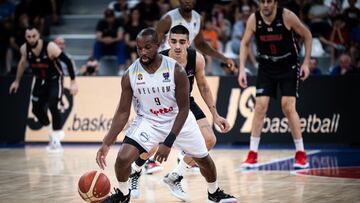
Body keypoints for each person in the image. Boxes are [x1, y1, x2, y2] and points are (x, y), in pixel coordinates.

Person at [95, 28, 237, 203]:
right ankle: (123, 195)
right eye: (139, 48)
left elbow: (184, 109)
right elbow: (123, 112)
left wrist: (168, 142)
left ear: (157, 46)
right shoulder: (130, 74)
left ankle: (214, 193)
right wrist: (106, 143)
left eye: (147, 47)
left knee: (205, 160)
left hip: (179, 118)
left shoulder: (176, 70)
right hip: (148, 121)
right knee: (122, 159)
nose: (143, 52)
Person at [237, 0, 312, 169]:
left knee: (287, 106)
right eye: (262, 1)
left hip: (288, 65)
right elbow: (244, 43)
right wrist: (242, 69)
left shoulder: (287, 16)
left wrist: (306, 63)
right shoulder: (253, 19)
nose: (265, 5)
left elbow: (307, 35)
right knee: (260, 107)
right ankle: (252, 153)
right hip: (266, 66)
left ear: (275, 2)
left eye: (269, 1)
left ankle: (301, 153)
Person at [9, 26, 78, 152]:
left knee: (53, 104)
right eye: (28, 37)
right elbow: (22, 63)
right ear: (25, 37)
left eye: (33, 36)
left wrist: (73, 82)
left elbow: (67, 61)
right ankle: (52, 129)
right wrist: (17, 81)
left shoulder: (50, 47)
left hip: (55, 78)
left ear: (38, 35)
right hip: (40, 80)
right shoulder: (24, 48)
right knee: (36, 109)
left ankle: (56, 140)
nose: (31, 39)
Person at [155, 0, 236, 74]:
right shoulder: (168, 19)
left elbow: (201, 45)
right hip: (163, 64)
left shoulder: (198, 19)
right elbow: (154, 44)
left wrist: (223, 58)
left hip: (181, 64)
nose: (187, 1)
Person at [93, 9, 125, 75]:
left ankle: (121, 68)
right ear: (105, 17)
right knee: (97, 45)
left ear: (114, 17)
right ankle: (95, 67)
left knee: (121, 45)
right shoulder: (101, 23)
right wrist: (105, 40)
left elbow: (120, 37)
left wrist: (111, 40)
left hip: (114, 46)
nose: (109, 19)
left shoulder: (118, 23)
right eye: (107, 17)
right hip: (104, 46)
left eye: (111, 17)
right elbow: (98, 37)